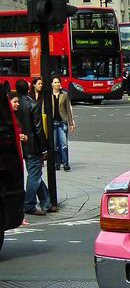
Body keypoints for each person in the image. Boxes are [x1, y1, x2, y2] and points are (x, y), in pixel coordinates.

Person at [15, 80, 54, 216]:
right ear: (29, 88)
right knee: (34, 175)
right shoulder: (32, 104)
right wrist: (44, 148)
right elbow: (38, 129)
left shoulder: (14, 104)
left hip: (22, 145)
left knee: (35, 173)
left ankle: (46, 202)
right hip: (33, 145)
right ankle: (29, 204)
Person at [9, 91, 30, 226]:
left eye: (17, 102)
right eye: (14, 102)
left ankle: (19, 216)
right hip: (12, 157)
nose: (17, 104)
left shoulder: (14, 117)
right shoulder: (8, 119)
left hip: (18, 155)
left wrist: (20, 136)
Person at [51, 76, 76, 171]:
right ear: (52, 84)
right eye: (55, 82)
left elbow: (68, 109)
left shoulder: (64, 95)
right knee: (55, 144)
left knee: (64, 144)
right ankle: (57, 163)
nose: (57, 84)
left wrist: (71, 122)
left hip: (62, 122)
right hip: (52, 122)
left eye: (58, 82)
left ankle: (65, 163)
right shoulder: (49, 95)